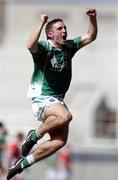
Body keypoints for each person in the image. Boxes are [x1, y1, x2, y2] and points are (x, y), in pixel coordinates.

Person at [7, 7, 97, 180]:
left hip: (57, 100)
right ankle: (33, 136)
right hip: (42, 97)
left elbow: (91, 36)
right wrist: (41, 23)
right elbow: (29, 45)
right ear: (50, 34)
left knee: (60, 141)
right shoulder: (44, 48)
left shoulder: (69, 46)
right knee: (65, 116)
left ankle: (23, 163)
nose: (64, 31)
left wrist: (92, 18)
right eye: (60, 29)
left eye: (65, 28)